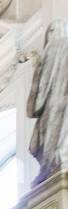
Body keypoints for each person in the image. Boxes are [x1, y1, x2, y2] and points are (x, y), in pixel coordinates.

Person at [28, 20, 68, 185]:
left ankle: (52, 163)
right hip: (53, 106)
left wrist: (38, 65)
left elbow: (38, 99)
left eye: (53, 30)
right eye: (51, 31)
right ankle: (51, 164)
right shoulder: (56, 49)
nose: (52, 35)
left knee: (54, 139)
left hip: (58, 104)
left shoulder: (57, 48)